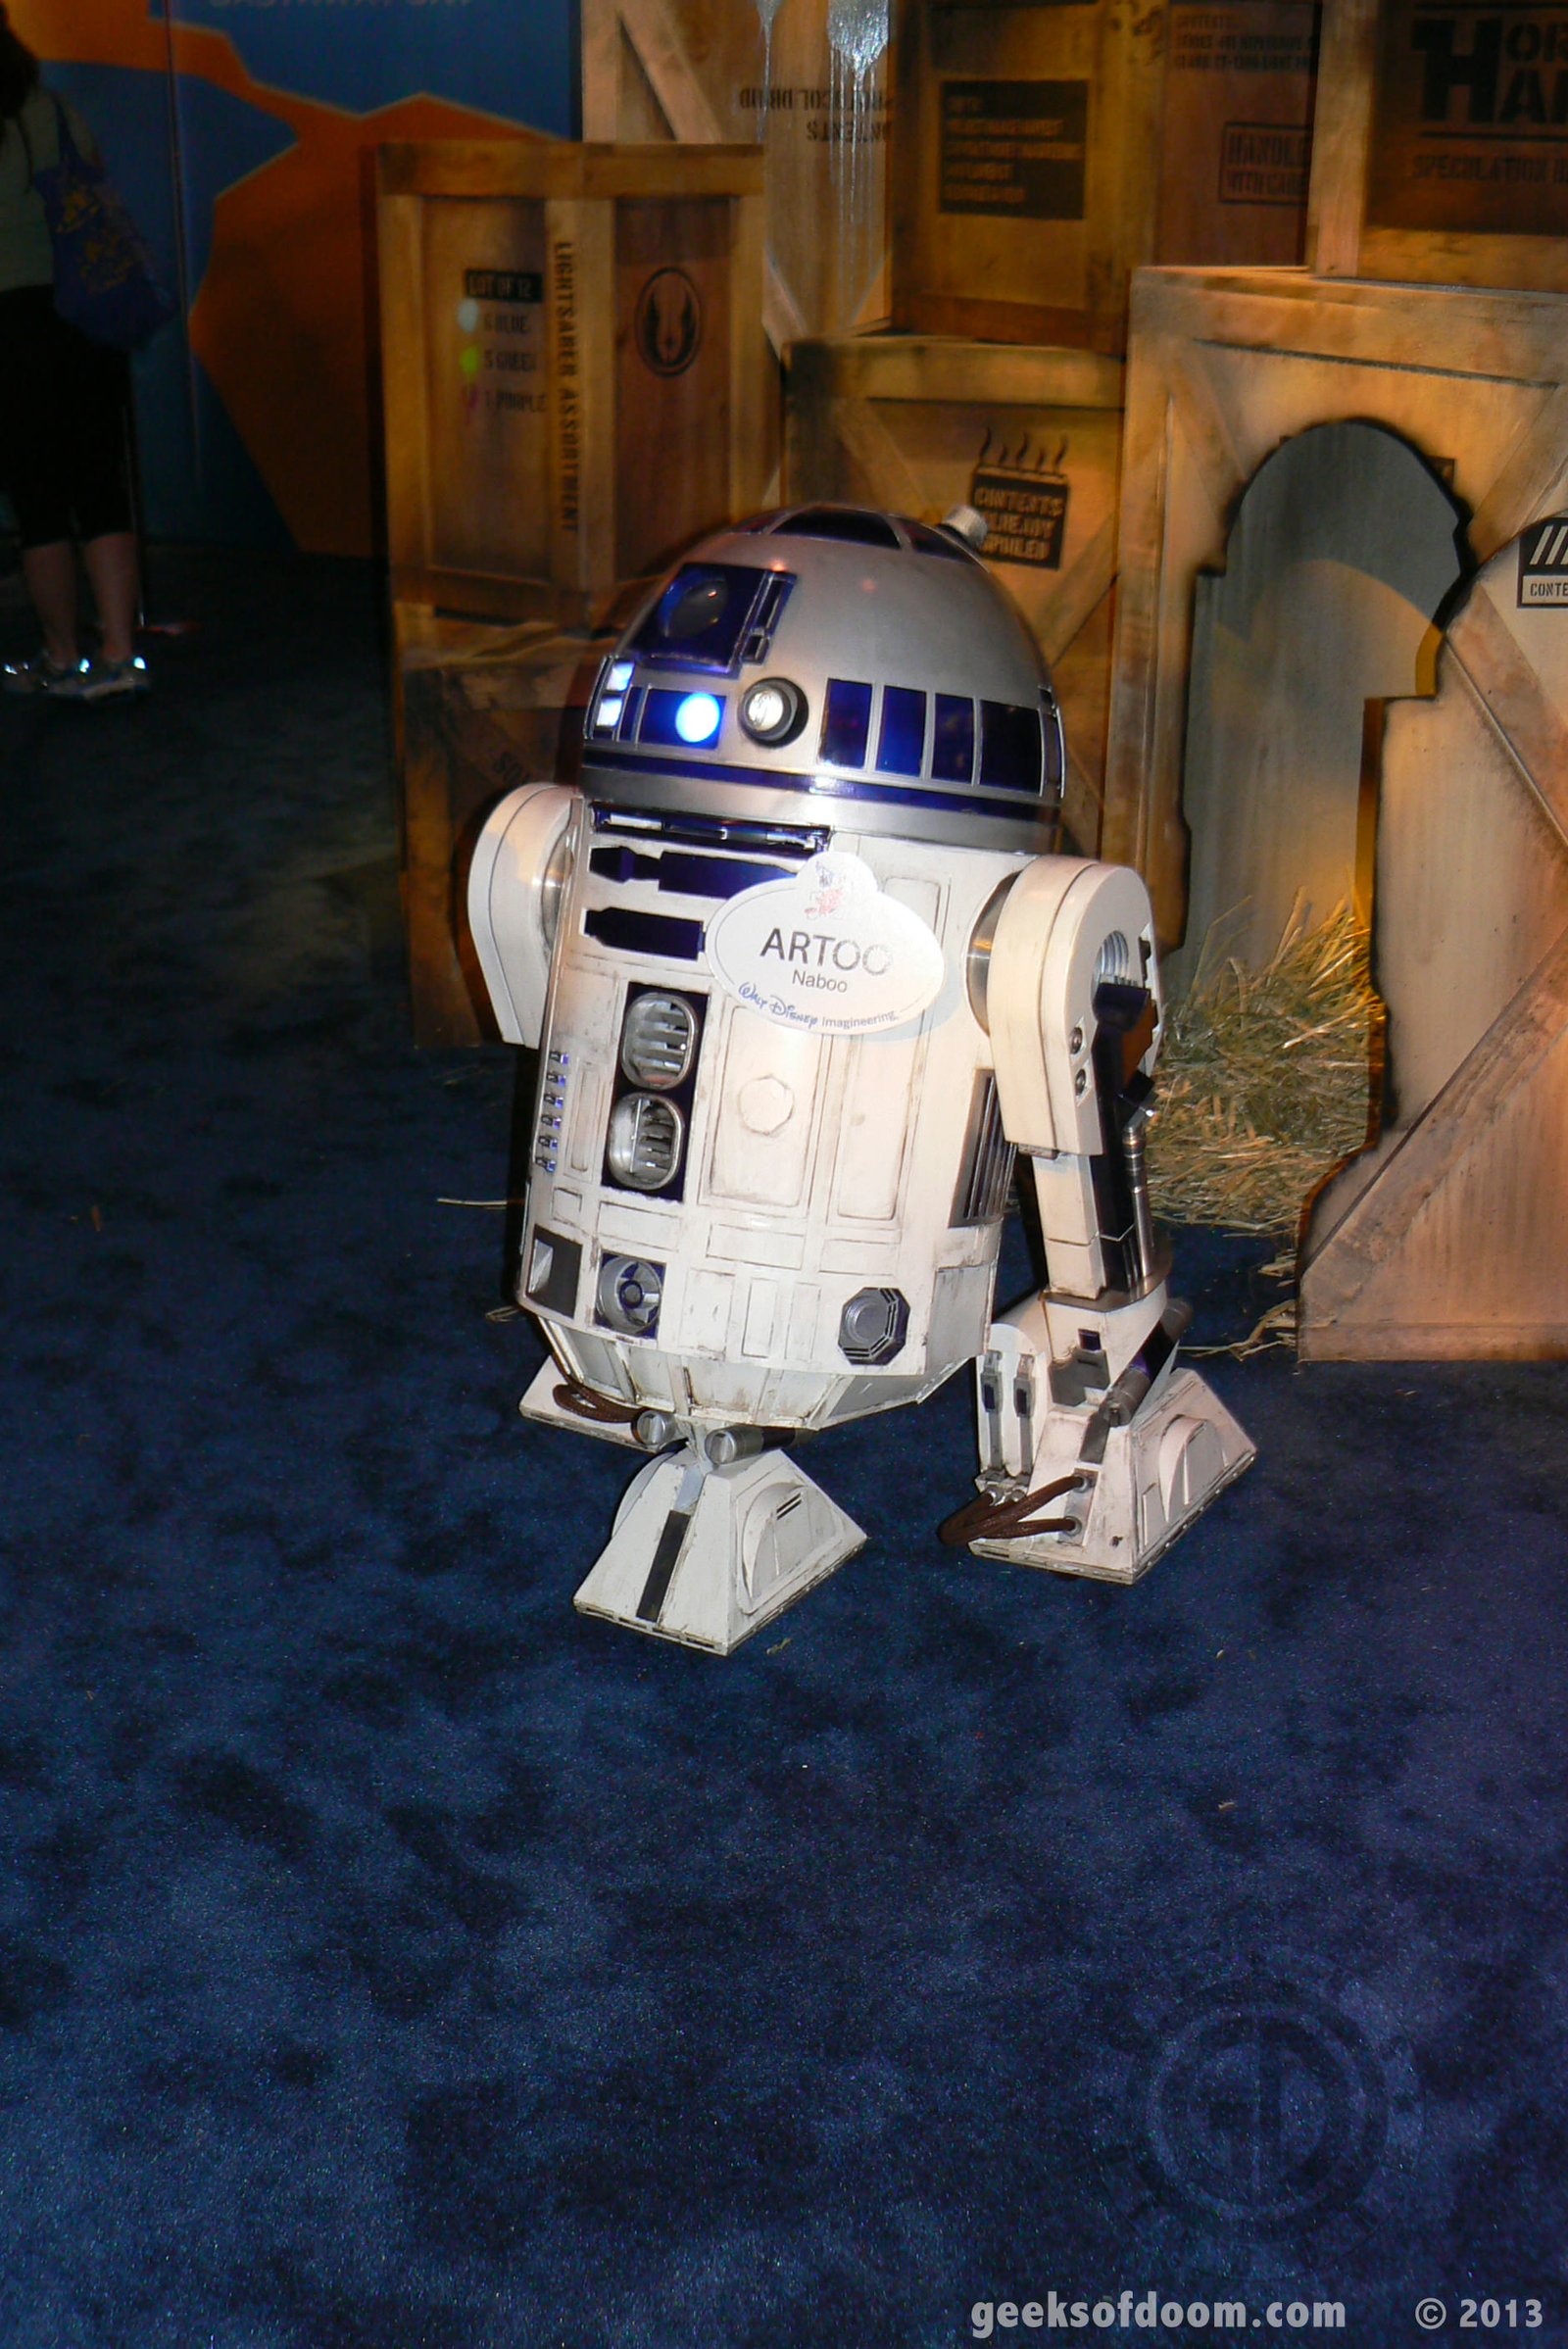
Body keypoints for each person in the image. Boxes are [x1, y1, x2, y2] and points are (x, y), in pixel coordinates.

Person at [0, 5, 149, 700]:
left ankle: (62, 658)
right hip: (84, 316)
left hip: (10, 329)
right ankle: (120, 654)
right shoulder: (56, 111)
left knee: (39, 504)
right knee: (100, 489)